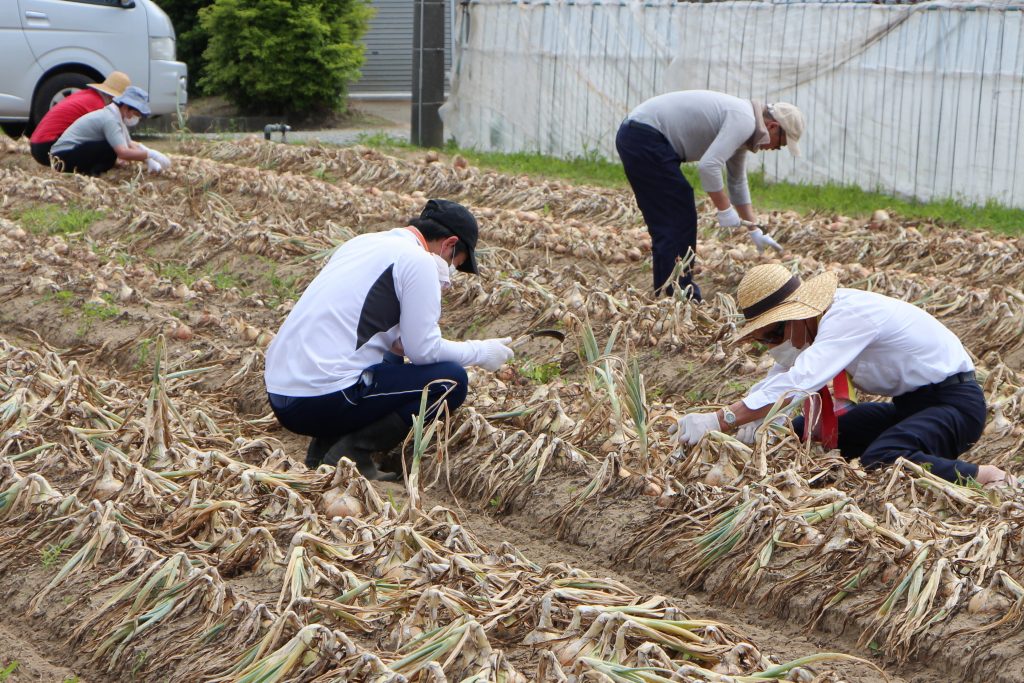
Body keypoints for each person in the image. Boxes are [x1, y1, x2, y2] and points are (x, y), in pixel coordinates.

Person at [672, 263, 1011, 487]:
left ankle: (987, 476)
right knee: (805, 429)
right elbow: (781, 376)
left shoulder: (846, 315)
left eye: (774, 334)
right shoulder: (815, 327)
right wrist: (755, 423)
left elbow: (800, 382)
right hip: (911, 407)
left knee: (883, 458)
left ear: (799, 317)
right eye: (764, 340)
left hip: (954, 406)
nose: (773, 345)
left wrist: (721, 419)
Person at [264, 199, 516, 480]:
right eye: (454, 263)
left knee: (390, 357)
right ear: (449, 244)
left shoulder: (364, 242)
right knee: (450, 381)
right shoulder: (419, 261)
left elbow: (382, 332)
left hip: (281, 392)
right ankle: (351, 456)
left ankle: (322, 452)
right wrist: (481, 351)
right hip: (316, 401)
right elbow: (425, 352)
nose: (451, 270)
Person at [616, 90, 804, 300]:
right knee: (677, 214)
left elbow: (737, 181)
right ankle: (676, 294)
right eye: (780, 144)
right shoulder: (744, 120)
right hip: (643, 135)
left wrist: (754, 228)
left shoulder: (745, 125)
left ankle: (670, 292)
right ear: (772, 127)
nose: (775, 148)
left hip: (642, 136)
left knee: (673, 217)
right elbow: (709, 166)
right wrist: (724, 210)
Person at [49, 86, 171, 176]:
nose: (133, 118)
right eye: (134, 114)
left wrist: (148, 160)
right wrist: (151, 155)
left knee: (112, 147)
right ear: (125, 107)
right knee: (110, 149)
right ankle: (91, 172)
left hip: (63, 155)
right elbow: (123, 152)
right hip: (61, 157)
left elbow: (129, 144)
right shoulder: (110, 120)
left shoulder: (114, 116)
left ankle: (90, 170)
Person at [29, 71, 131, 167]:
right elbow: (114, 138)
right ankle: (94, 170)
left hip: (37, 145)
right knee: (109, 148)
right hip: (47, 147)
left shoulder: (87, 95)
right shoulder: (99, 106)